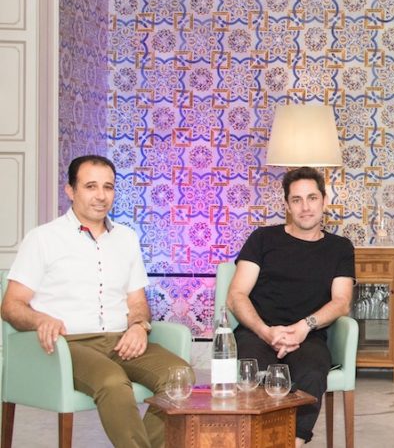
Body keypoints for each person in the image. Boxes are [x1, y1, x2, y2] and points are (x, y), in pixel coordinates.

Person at [0, 155, 190, 448]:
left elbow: (137, 301)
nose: (101, 196)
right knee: (113, 382)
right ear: (70, 190)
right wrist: (41, 319)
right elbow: (11, 305)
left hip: (119, 342)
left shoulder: (127, 238)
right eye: (90, 186)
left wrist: (139, 326)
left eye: (108, 187)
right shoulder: (43, 239)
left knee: (180, 377)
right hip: (67, 346)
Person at [226, 166, 355, 447]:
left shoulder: (340, 247)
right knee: (254, 372)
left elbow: (342, 301)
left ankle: (291, 443)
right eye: (297, 200)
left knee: (313, 372)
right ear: (286, 205)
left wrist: (303, 327)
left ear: (324, 201)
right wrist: (265, 331)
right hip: (257, 333)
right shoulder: (263, 239)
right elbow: (236, 295)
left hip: (308, 335)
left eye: (312, 198)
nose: (305, 207)